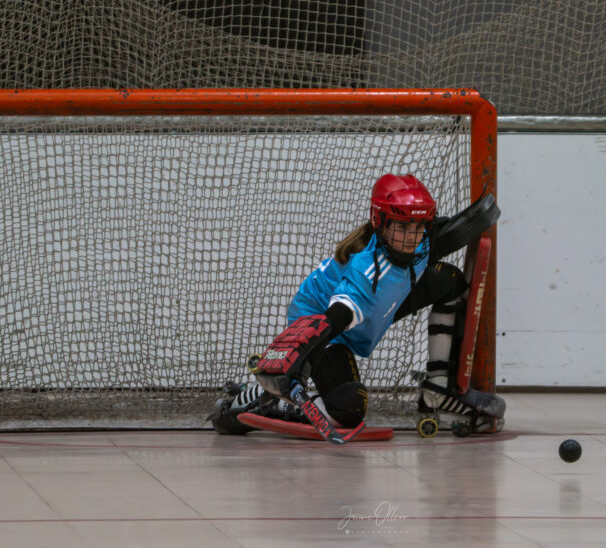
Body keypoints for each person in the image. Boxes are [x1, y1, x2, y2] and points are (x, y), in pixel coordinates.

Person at [210, 173, 505, 435]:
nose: (411, 238)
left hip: (371, 306)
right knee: (348, 408)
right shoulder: (367, 270)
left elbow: (453, 231)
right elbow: (338, 314)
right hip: (320, 321)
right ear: (381, 223)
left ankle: (438, 387)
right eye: (402, 227)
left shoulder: (420, 243)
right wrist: (297, 358)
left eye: (418, 227)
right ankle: (265, 401)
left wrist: (486, 209)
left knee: (448, 280)